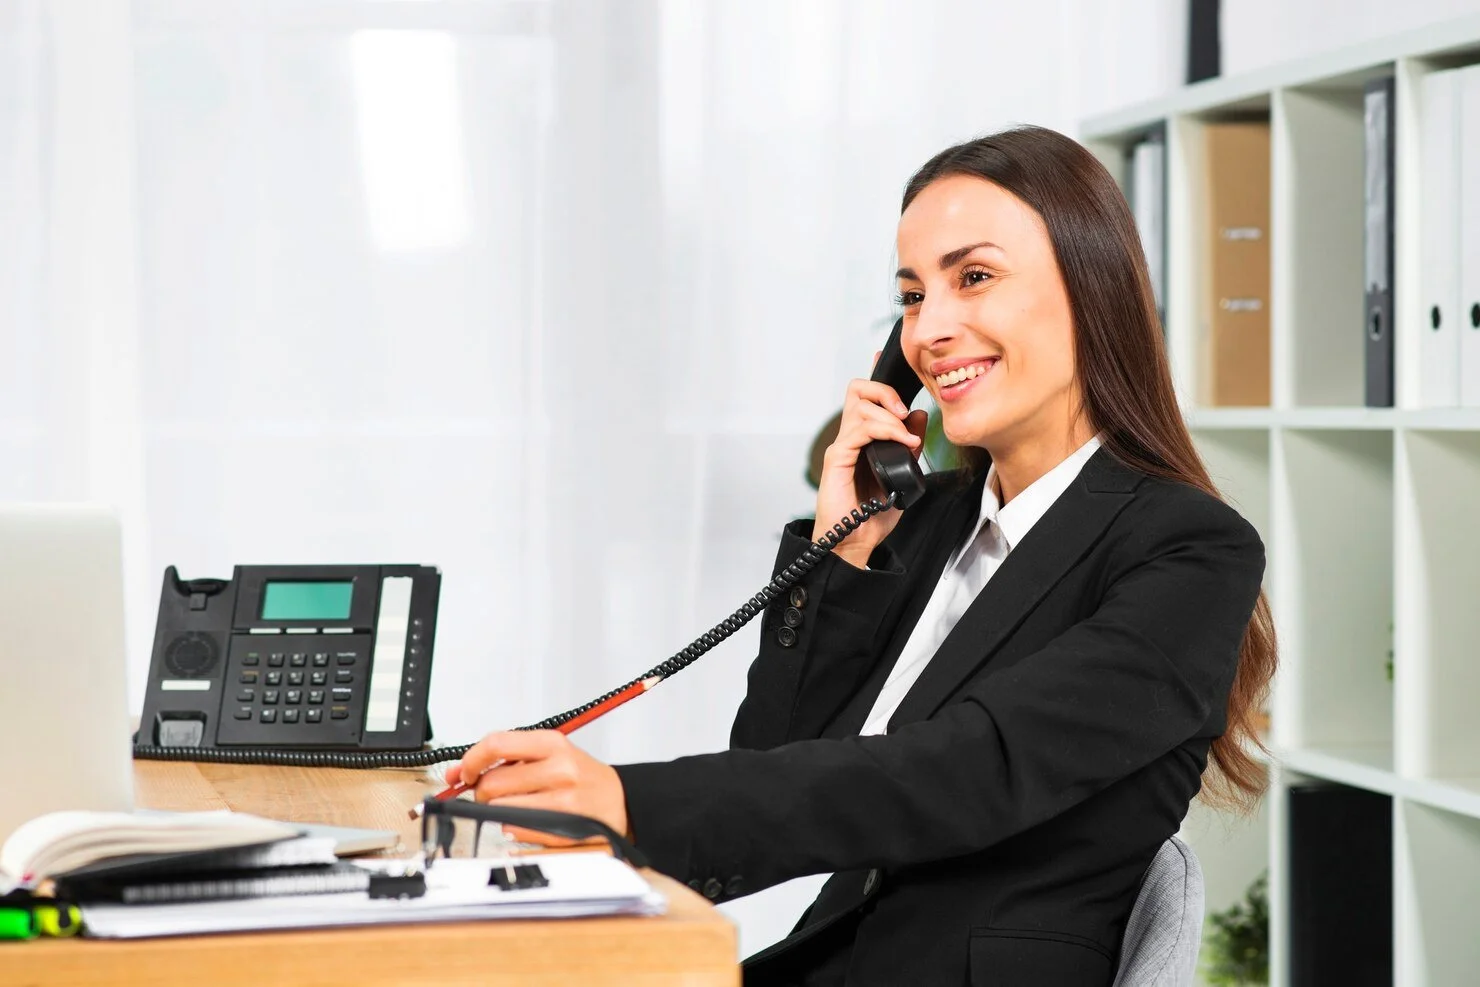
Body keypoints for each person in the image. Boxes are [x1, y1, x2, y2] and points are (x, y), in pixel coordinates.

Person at [451, 125, 1275, 986]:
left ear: (1091, 289)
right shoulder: (922, 528)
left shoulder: (1191, 552)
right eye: (914, 297)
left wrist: (629, 801)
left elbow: (968, 768)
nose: (931, 331)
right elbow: (772, 757)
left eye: (976, 278)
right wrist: (839, 555)